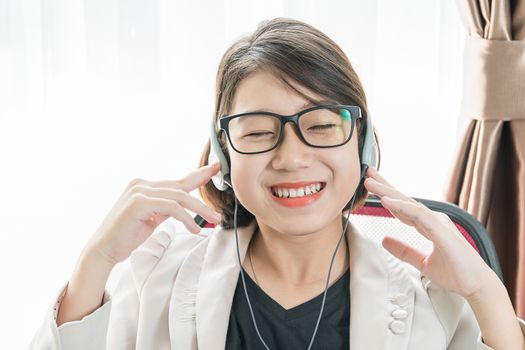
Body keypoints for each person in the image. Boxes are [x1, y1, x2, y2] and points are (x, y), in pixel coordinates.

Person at [30, 17, 525, 350]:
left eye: (322, 125)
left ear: (363, 143)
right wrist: (94, 262)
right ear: (224, 154)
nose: (292, 157)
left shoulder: (431, 300)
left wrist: (483, 289)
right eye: (260, 132)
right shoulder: (157, 273)